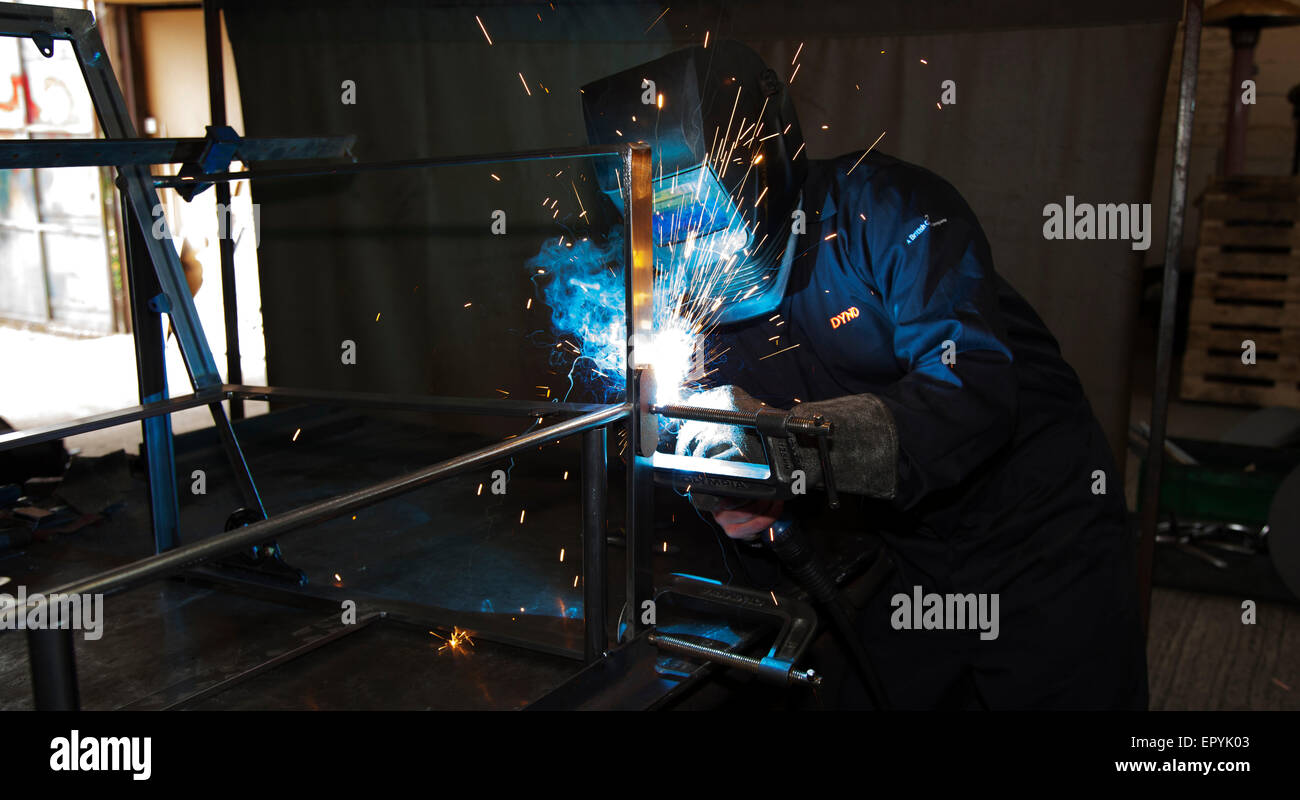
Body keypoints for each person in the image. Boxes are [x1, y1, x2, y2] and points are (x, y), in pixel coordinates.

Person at [583, 41, 1147, 709]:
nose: (688, 243)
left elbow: (972, 397)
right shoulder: (688, 289)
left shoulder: (889, 211)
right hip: (900, 547)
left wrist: (779, 445)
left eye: (700, 211)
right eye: (665, 222)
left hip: (1039, 530)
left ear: (756, 157)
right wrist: (740, 492)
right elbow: (735, 447)